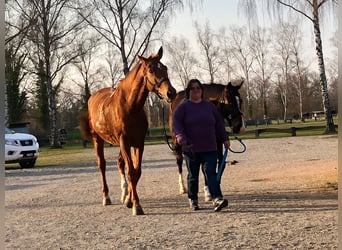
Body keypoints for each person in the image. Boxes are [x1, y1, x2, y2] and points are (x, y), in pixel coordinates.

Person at [172, 79, 230, 212]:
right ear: (188, 91)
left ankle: (217, 198)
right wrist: (180, 136)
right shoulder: (183, 107)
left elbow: (219, 125)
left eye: (198, 88)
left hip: (210, 147)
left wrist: (224, 138)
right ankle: (193, 199)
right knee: (193, 175)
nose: (196, 90)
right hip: (191, 148)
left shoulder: (209, 106)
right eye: (193, 88)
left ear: (202, 91)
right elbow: (177, 124)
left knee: (211, 173)